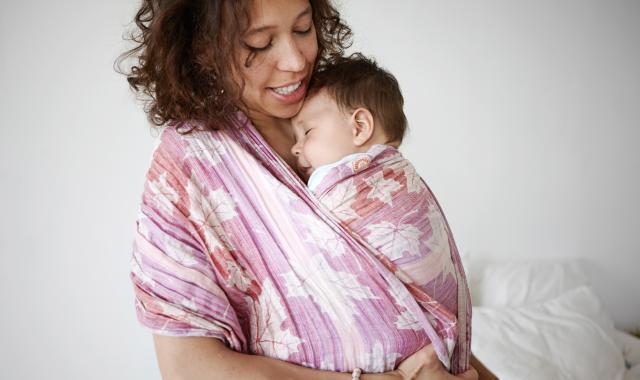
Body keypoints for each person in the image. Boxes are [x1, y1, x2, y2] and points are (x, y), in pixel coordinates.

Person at [119, 0, 480, 379]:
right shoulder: (187, 168)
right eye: (259, 43)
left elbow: (404, 290)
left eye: (303, 29)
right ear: (204, 48)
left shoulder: (333, 109)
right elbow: (187, 369)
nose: (295, 62)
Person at [290, 53, 470, 373]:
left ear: (359, 126)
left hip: (402, 341)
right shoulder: (404, 174)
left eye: (307, 132)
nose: (296, 147)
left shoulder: (339, 182)